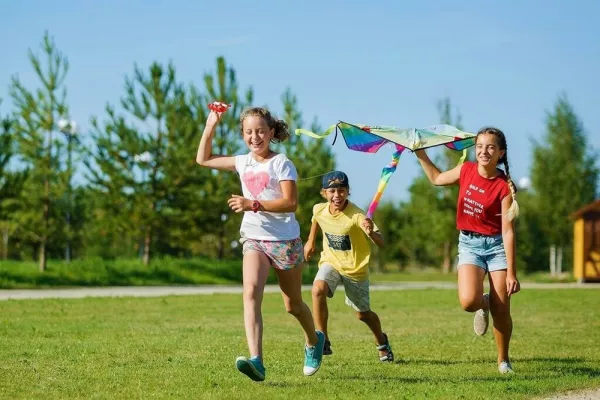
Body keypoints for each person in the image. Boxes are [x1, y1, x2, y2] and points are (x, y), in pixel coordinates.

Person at [196, 106, 325, 381]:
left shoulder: (281, 163)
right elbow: (203, 159)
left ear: (271, 132)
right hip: (254, 238)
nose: (255, 137)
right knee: (251, 292)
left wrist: (252, 203)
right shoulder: (243, 162)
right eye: (249, 132)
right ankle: (257, 360)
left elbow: (290, 203)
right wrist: (211, 125)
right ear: (243, 134)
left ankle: (314, 340)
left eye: (260, 131)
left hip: (285, 241)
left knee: (293, 305)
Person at [414, 126, 520, 374]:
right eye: (480, 146)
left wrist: (512, 273)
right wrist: (420, 153)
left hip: (496, 247)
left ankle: (503, 360)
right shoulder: (466, 170)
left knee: (502, 309)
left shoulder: (504, 186)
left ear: (500, 153)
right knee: (468, 302)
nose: (484, 151)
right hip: (469, 244)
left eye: (491, 147)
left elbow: (508, 232)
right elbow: (437, 178)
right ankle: (484, 303)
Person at [304, 171, 394, 362]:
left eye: (342, 191)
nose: (337, 195)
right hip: (331, 261)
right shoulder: (319, 209)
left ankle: (382, 342)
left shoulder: (357, 215)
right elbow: (316, 220)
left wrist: (371, 232)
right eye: (332, 191)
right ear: (324, 193)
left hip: (355, 269)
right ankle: (323, 339)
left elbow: (381, 242)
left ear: (348, 192)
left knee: (363, 314)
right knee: (317, 289)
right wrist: (310, 241)